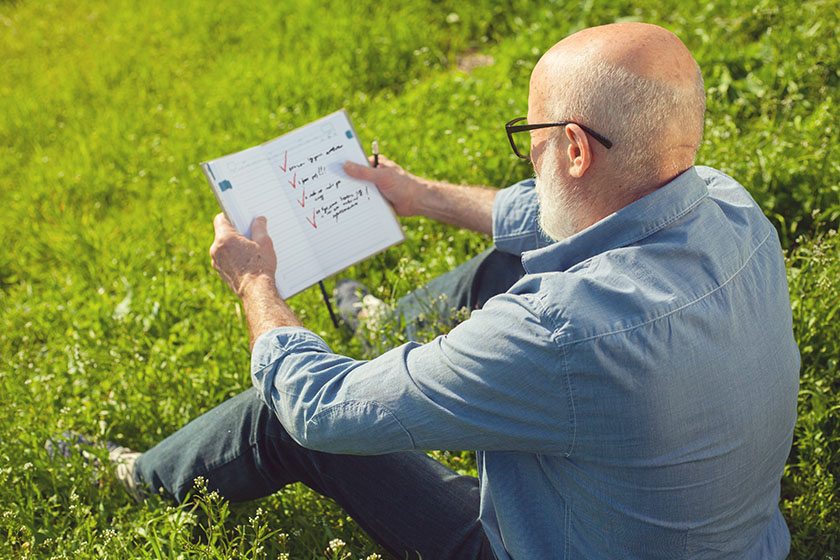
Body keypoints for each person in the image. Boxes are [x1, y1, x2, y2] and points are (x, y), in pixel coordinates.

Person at [101, 22, 800, 559]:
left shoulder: (560, 330)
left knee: (282, 416)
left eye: (532, 134)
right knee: (511, 258)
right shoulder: (729, 205)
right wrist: (419, 195)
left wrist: (256, 282)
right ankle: (383, 321)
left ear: (577, 150)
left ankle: (139, 481)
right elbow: (541, 216)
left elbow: (322, 408)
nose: (529, 150)